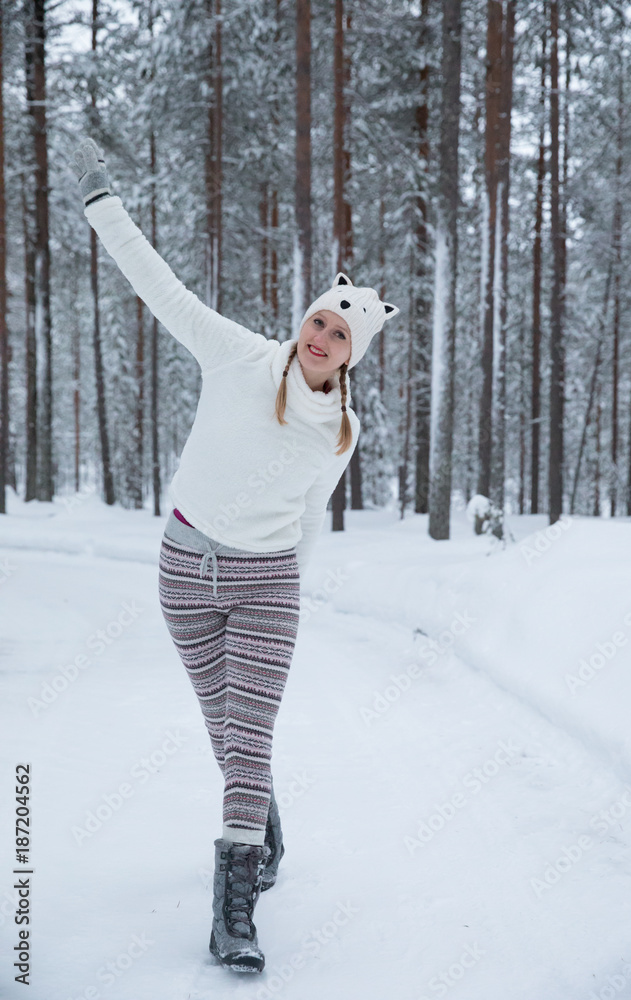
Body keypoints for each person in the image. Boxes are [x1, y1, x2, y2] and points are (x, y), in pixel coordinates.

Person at [72, 138, 399, 975]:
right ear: (303, 321)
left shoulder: (341, 429)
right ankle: (265, 827)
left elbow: (309, 519)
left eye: (340, 333)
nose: (323, 335)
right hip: (183, 569)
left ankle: (235, 912)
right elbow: (160, 286)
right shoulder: (236, 355)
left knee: (247, 740)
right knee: (225, 733)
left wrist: (294, 584)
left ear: (353, 355)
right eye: (319, 319)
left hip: (265, 585)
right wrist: (102, 202)